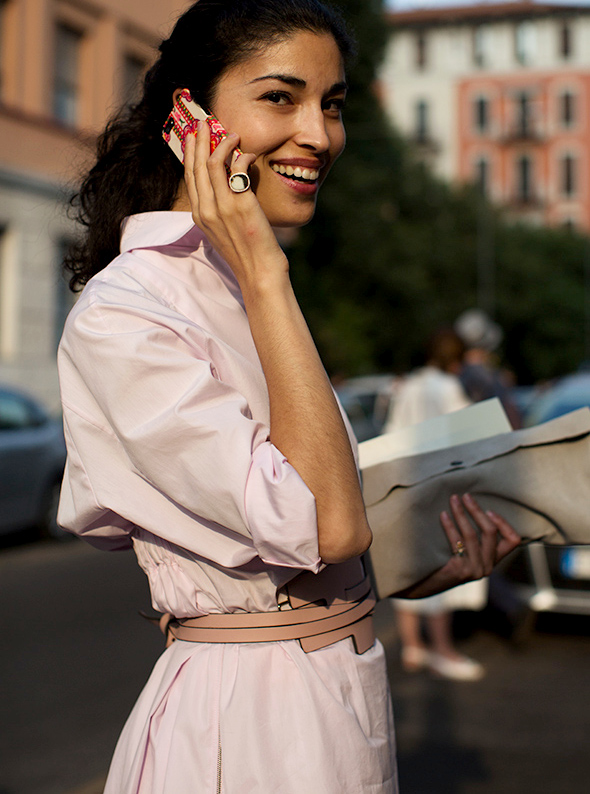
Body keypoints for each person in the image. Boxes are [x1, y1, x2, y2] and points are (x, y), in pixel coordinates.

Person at [57, 2, 520, 792]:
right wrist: (268, 273)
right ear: (189, 118)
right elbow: (330, 525)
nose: (318, 135)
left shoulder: (240, 285)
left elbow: (309, 543)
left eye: (332, 105)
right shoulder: (128, 311)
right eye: (280, 97)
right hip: (247, 728)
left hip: (334, 694)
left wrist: (419, 562)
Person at [384, 328, 488, 681]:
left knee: (409, 567)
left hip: (407, 488)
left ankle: (413, 646)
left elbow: (391, 434)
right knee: (443, 568)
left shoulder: (409, 387)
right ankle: (443, 650)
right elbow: (471, 437)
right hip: (442, 491)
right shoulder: (449, 389)